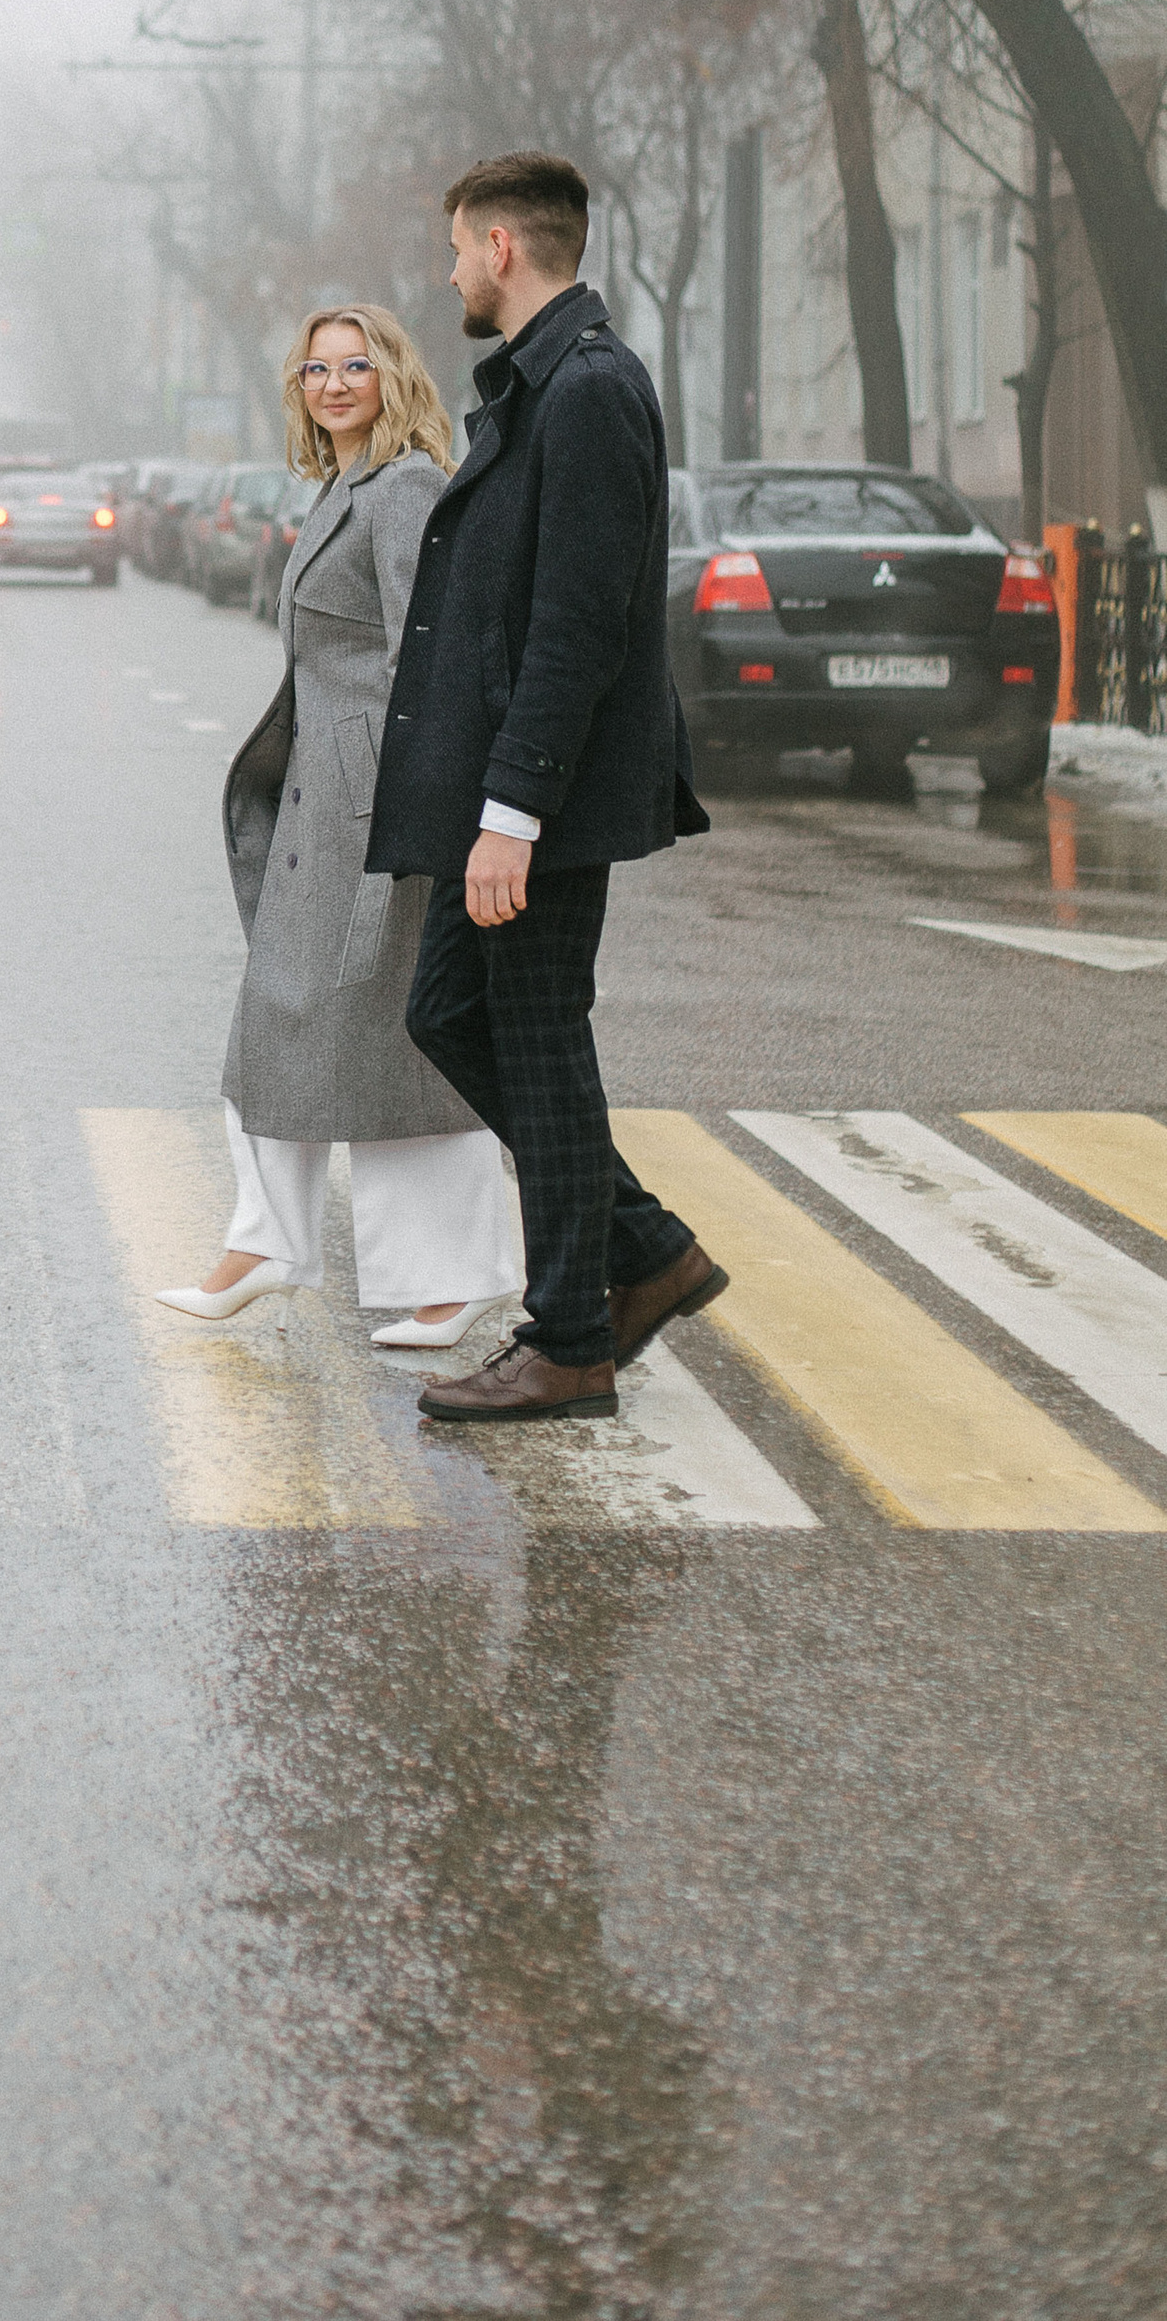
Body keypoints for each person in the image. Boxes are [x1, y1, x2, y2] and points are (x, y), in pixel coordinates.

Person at [366, 151, 726, 1423]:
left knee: (536, 1037)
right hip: (514, 792)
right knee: (451, 1012)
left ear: (505, 250)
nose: (451, 268)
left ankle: (570, 1338)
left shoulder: (587, 390)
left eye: (460, 246)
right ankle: (640, 1249)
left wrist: (511, 813)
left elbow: (576, 626)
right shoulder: (541, 384)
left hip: (547, 801)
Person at [157, 304, 522, 1349]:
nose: (332, 383)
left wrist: (424, 802)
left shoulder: (402, 486)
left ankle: (443, 1276)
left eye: (354, 365)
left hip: (378, 804)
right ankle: (275, 1247)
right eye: (314, 369)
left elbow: (436, 649)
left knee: (387, 1038)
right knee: (316, 1029)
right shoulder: (341, 485)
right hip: (334, 794)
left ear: (391, 375)